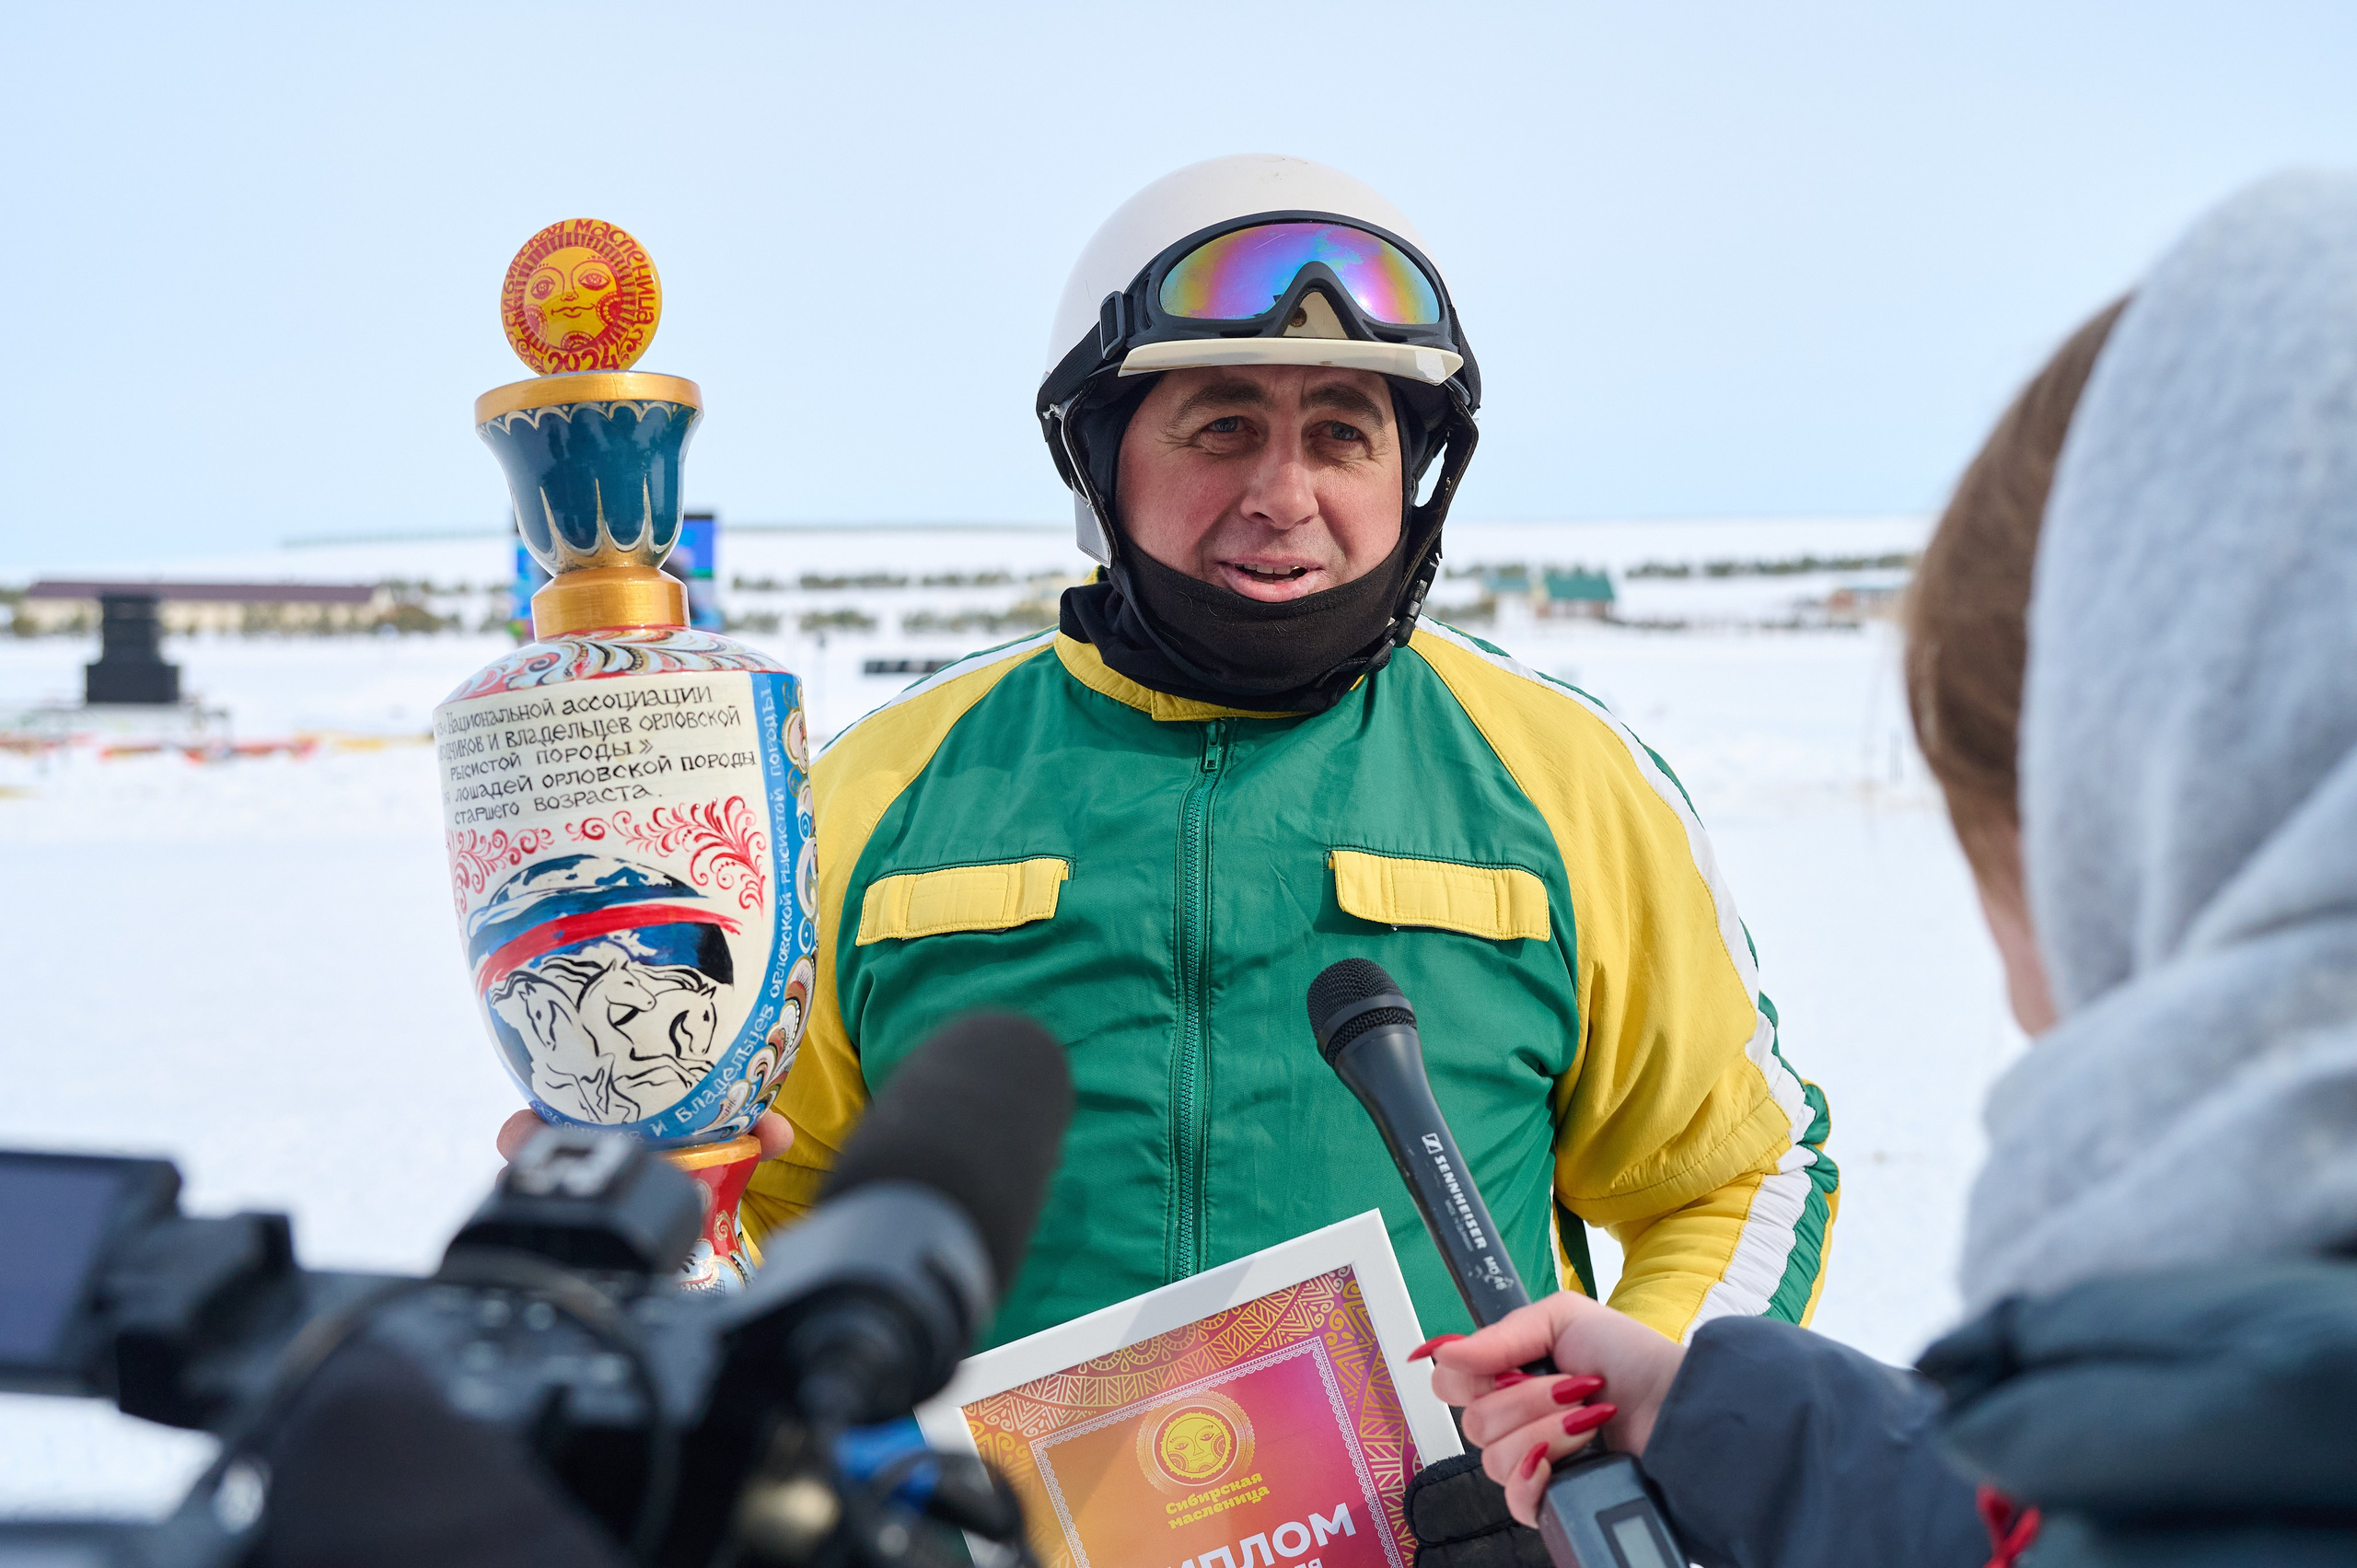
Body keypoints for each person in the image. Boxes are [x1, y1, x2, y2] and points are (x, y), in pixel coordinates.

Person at [722, 155, 1841, 1350]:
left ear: (1411, 478)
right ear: (1098, 459)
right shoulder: (875, 790)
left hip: (1461, 1481)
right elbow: (765, 1204)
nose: (1284, 493)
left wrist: (1614, 1418)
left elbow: (1737, 1179)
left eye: (1343, 434)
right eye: (1224, 426)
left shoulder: (1566, 778)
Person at [1425, 171, 2357, 1567]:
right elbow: (2032, 1528)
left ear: (2122, 848)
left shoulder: (2224, 1447)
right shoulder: (2235, 1437)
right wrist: (1699, 1412)